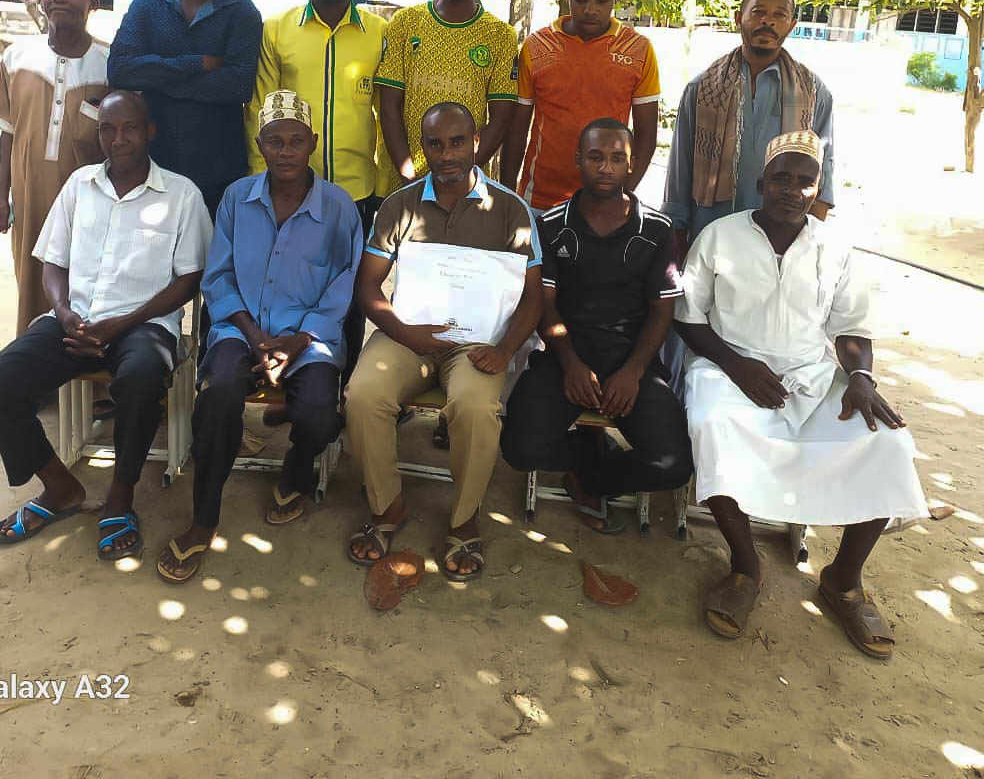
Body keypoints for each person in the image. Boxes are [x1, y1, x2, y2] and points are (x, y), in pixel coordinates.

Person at [674, 130, 928, 659]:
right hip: (728, 367)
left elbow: (853, 333)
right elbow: (689, 320)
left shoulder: (835, 248)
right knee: (714, 428)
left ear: (818, 189)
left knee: (887, 444)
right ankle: (745, 568)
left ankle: (843, 579)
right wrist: (736, 364)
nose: (792, 189)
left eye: (805, 181)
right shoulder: (720, 237)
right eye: (782, 179)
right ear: (762, 183)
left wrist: (860, 378)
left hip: (812, 376)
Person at [0, 92, 212, 560]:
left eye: (130, 128)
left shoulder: (182, 194)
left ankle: (121, 496)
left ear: (150, 132)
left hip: (144, 325)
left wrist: (124, 322)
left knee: (140, 379)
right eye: (107, 129)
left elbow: (189, 280)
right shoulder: (80, 185)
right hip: (74, 320)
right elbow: (53, 260)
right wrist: (62, 313)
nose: (118, 139)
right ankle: (59, 487)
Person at [157, 91, 362, 584]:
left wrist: (297, 340)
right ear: (260, 144)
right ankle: (204, 518)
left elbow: (346, 282)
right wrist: (256, 339)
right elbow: (219, 276)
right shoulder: (236, 198)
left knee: (317, 413)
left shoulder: (339, 207)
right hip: (240, 327)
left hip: (309, 334)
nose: (286, 151)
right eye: (275, 141)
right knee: (219, 396)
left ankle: (297, 463)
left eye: (296, 140)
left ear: (313, 142)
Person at [344, 103, 542, 582]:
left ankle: (464, 518)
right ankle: (387, 506)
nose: (447, 153)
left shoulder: (510, 210)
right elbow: (368, 286)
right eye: (435, 143)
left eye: (457, 142)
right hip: (408, 334)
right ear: (424, 146)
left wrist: (504, 350)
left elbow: (534, 298)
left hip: (475, 343)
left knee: (475, 407)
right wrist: (403, 332)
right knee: (363, 394)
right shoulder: (401, 204)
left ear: (476, 143)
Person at [501, 120, 692, 530]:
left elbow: (662, 311)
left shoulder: (657, 231)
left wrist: (634, 371)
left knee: (673, 465)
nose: (606, 167)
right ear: (578, 161)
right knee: (518, 448)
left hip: (631, 364)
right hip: (564, 359)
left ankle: (593, 476)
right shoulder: (551, 225)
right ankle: (586, 451)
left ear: (632, 164)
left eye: (616, 158)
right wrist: (569, 362)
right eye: (595, 157)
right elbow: (544, 304)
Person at [245, 0, 387, 375]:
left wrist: (383, 188)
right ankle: (288, 386)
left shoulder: (381, 34)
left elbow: (389, 114)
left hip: (357, 191)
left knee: (348, 298)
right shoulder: (278, 30)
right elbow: (260, 111)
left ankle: (338, 392)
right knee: (290, 290)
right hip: (289, 191)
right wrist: (259, 185)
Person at [662, 0, 835, 253]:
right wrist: (678, 250)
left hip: (780, 247)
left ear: (792, 25)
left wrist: (803, 252)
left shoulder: (815, 94)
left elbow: (822, 179)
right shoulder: (701, 89)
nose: (768, 22)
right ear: (738, 17)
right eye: (758, 12)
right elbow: (679, 177)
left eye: (780, 15)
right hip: (711, 245)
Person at [0, 0, 110, 336]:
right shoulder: (18, 57)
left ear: (93, 4)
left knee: (85, 280)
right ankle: (34, 371)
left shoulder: (110, 63)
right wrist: (1, 195)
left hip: (88, 197)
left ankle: (89, 382)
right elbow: (8, 130)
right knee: (32, 274)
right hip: (30, 192)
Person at [107, 0, 263, 217]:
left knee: (210, 263)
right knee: (153, 262)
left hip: (219, 176)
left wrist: (157, 80)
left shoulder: (241, 13)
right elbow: (120, 69)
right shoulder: (147, 5)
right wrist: (197, 63)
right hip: (152, 169)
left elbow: (238, 85)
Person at [500, 0, 661, 212]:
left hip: (604, 206)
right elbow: (516, 131)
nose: (590, 10)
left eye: (602, 0)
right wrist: (507, 198)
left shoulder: (639, 50)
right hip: (538, 202)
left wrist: (620, 197)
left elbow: (647, 136)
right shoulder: (536, 46)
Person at [375, 0, 518, 191]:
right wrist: (409, 174)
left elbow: (500, 120)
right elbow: (390, 109)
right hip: (404, 186)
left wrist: (460, 176)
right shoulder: (405, 23)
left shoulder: (501, 36)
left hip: (466, 190)